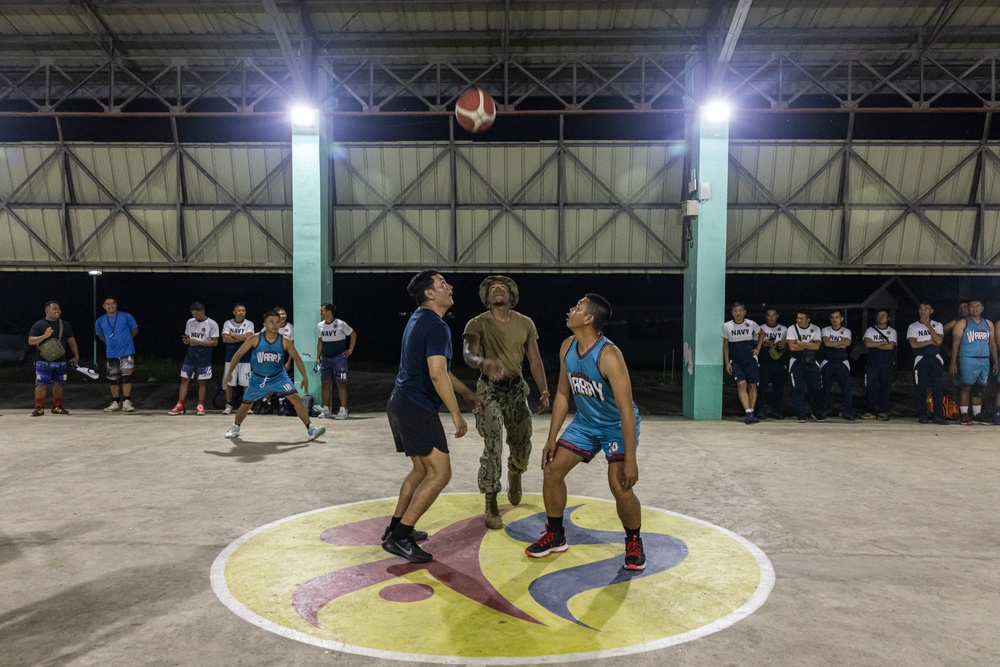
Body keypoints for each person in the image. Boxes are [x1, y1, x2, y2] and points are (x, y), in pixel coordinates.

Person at [526, 294, 645, 572]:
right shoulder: (568, 346)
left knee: (620, 485)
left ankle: (634, 541)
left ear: (589, 318)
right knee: (552, 470)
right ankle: (556, 534)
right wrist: (551, 439)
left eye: (578, 307)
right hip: (586, 422)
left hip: (615, 425)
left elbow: (627, 411)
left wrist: (631, 459)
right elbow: (563, 395)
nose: (571, 309)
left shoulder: (609, 355)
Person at [383, 270, 485, 564]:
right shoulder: (436, 326)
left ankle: (394, 528)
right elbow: (436, 372)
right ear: (430, 293)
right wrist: (456, 414)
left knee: (421, 471)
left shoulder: (421, 319)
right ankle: (400, 537)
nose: (449, 287)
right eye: (442, 284)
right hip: (416, 407)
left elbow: (441, 368)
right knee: (440, 473)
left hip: (400, 402)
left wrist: (465, 394)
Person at [463, 275, 550, 529]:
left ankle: (516, 472)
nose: (497, 289)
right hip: (489, 390)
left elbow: (534, 360)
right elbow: (468, 353)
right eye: (492, 288)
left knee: (522, 444)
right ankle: (491, 503)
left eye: (503, 288)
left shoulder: (525, 323)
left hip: (515, 390)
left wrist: (544, 390)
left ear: (511, 297)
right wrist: (483, 363)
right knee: (493, 444)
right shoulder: (477, 323)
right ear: (487, 298)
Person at [223, 310, 326, 442]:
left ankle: (311, 428)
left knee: (296, 399)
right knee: (246, 405)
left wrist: (305, 377)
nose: (275, 324)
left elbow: (297, 358)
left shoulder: (285, 341)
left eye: (277, 322)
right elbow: (238, 355)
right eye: (271, 322)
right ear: (264, 324)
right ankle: (235, 427)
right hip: (258, 378)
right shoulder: (254, 339)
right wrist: (229, 373)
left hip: (278, 377)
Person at [27, 301, 80, 416]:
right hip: (43, 361)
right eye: (54, 309)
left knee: (59, 383)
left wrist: (76, 355)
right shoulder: (39, 325)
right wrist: (44, 336)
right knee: (40, 384)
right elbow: (31, 341)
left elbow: (71, 341)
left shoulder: (65, 325)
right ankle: (39, 407)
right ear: (47, 311)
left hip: (60, 361)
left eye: (59, 309)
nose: (58, 311)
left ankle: (57, 406)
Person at [949, 299, 997, 425]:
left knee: (979, 388)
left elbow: (992, 344)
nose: (975, 308)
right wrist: (953, 361)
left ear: (982, 308)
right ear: (968, 308)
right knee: (966, 386)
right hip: (968, 358)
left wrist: (996, 361)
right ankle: (964, 413)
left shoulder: (988, 324)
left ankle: (977, 415)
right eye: (972, 306)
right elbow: (955, 344)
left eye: (978, 306)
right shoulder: (962, 323)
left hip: (984, 359)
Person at [168, 302, 219, 416]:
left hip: (204, 357)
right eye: (193, 314)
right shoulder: (190, 322)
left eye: (196, 313)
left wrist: (198, 342)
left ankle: (200, 405)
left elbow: (215, 342)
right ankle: (180, 404)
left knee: (202, 382)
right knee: (184, 379)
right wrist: (187, 341)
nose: (195, 316)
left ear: (202, 312)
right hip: (190, 356)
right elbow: (188, 337)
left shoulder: (212, 324)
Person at [94, 297, 139, 413]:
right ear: (104, 306)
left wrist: (126, 341)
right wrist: (110, 343)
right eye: (107, 304)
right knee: (113, 379)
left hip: (127, 352)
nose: (110, 306)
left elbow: (135, 331)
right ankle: (115, 402)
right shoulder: (100, 321)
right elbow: (100, 336)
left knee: (127, 378)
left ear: (116, 305)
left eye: (113, 303)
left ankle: (127, 402)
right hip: (111, 353)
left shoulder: (126, 316)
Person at [907, 302, 948, 426]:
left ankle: (937, 415)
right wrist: (930, 341)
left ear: (931, 311)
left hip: (935, 358)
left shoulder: (938, 325)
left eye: (926, 308)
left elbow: (939, 341)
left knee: (937, 387)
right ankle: (922, 414)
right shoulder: (913, 326)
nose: (923, 311)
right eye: (921, 308)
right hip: (920, 359)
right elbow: (913, 344)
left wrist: (928, 326)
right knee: (921, 388)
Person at [722, 302, 762, 425]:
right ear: (732, 313)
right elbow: (726, 346)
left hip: (750, 359)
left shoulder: (750, 324)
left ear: (744, 312)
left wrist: (758, 348)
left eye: (740, 310)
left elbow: (762, 333)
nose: (738, 313)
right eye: (735, 311)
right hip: (736, 360)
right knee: (741, 384)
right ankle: (748, 412)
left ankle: (752, 410)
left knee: (752, 385)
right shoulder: (727, 326)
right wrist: (727, 362)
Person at [316, 303, 357, 420]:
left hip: (339, 358)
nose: (321, 313)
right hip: (326, 358)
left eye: (322, 311)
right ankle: (326, 410)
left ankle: (343, 409)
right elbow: (320, 342)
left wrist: (350, 350)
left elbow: (353, 335)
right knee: (325, 383)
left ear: (329, 312)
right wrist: (318, 357)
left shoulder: (341, 324)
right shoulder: (320, 326)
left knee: (341, 383)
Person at [786, 310, 825, 423]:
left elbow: (817, 346)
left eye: (801, 318)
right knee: (798, 389)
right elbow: (792, 347)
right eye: (797, 318)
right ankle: (801, 414)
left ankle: (817, 412)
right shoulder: (791, 329)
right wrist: (809, 344)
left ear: (808, 319)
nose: (799, 320)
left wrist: (800, 343)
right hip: (796, 362)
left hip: (811, 362)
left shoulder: (815, 329)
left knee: (815, 388)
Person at [862, 310, 897, 421]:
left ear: (888, 318)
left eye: (884, 315)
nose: (881, 317)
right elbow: (868, 344)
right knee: (870, 386)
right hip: (872, 362)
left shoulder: (892, 332)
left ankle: (883, 411)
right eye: (879, 315)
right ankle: (871, 410)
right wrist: (882, 342)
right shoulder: (870, 330)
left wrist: (875, 345)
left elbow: (890, 347)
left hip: (886, 363)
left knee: (885, 386)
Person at [820, 309, 855, 421]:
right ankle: (822, 412)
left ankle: (848, 412)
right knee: (825, 389)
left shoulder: (846, 331)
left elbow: (847, 344)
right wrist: (840, 343)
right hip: (828, 362)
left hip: (842, 362)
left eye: (837, 317)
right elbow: (826, 343)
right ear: (830, 319)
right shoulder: (825, 330)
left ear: (841, 319)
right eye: (832, 317)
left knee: (846, 389)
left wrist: (833, 344)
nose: (835, 320)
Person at [221, 303, 255, 415]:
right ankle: (229, 404)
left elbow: (249, 338)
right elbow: (225, 339)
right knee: (229, 382)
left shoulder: (249, 324)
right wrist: (242, 338)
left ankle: (246, 405)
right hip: (230, 358)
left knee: (246, 383)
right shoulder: (228, 323)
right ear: (234, 312)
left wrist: (233, 335)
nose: (241, 312)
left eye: (243, 311)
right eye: (239, 311)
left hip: (245, 357)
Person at [757, 308, 788, 420]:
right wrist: (765, 344)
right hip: (765, 363)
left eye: (773, 315)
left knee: (778, 390)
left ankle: (777, 411)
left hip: (779, 363)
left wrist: (785, 344)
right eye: (769, 315)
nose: (771, 317)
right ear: (766, 316)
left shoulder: (784, 329)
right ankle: (759, 410)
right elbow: (754, 344)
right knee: (761, 389)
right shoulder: (760, 328)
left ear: (777, 316)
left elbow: (789, 344)